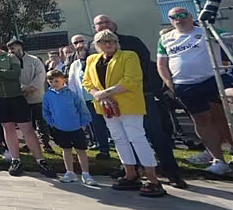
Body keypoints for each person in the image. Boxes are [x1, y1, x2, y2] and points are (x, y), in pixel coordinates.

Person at [94, 14, 186, 188]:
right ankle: (131, 170)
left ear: (114, 24)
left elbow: (140, 69)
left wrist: (112, 89)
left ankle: (170, 171)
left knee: (154, 133)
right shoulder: (96, 55)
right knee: (122, 137)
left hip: (141, 95)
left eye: (106, 22)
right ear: (95, 29)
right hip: (112, 100)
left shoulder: (132, 44)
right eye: (100, 24)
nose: (104, 25)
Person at [156, 7, 233, 176]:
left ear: (190, 16)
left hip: (214, 78)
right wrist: (169, 83)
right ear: (170, 20)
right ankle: (218, 160)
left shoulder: (206, 30)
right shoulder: (165, 39)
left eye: (182, 15)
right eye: (174, 17)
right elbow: (161, 64)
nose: (179, 19)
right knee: (201, 120)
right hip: (185, 85)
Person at [83, 30, 165, 197]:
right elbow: (87, 81)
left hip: (128, 104)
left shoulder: (129, 56)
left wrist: (104, 93)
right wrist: (97, 94)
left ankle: (152, 178)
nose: (108, 43)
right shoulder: (92, 59)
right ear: (97, 45)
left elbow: (131, 80)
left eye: (111, 40)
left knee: (137, 137)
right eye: (104, 41)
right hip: (106, 106)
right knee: (119, 138)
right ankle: (130, 173)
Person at [0, 35, 51, 177]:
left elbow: (15, 74)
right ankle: (15, 160)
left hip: (16, 97)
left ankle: (40, 160)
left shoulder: (10, 57)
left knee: (27, 129)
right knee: (8, 128)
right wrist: (1, 74)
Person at [42, 70, 97, 186]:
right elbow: (46, 112)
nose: (54, 83)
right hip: (60, 128)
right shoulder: (48, 96)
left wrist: (83, 124)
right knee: (66, 150)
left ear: (64, 80)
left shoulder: (72, 94)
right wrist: (52, 123)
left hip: (76, 127)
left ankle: (86, 174)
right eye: (50, 81)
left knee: (81, 150)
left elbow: (83, 110)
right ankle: (70, 172)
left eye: (56, 81)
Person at [66, 34, 110, 159]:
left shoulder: (98, 59)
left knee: (112, 124)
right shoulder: (75, 64)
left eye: (82, 41)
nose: (79, 45)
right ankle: (104, 149)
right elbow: (73, 83)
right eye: (76, 43)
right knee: (97, 125)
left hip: (103, 98)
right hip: (86, 100)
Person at [7, 38, 53, 153]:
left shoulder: (34, 60)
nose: (11, 50)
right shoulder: (10, 63)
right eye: (9, 48)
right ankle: (29, 143)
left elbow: (41, 74)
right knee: (26, 123)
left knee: (41, 122)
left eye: (13, 47)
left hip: (37, 97)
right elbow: (11, 78)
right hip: (21, 98)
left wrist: (32, 87)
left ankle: (46, 144)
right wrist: (23, 88)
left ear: (20, 47)